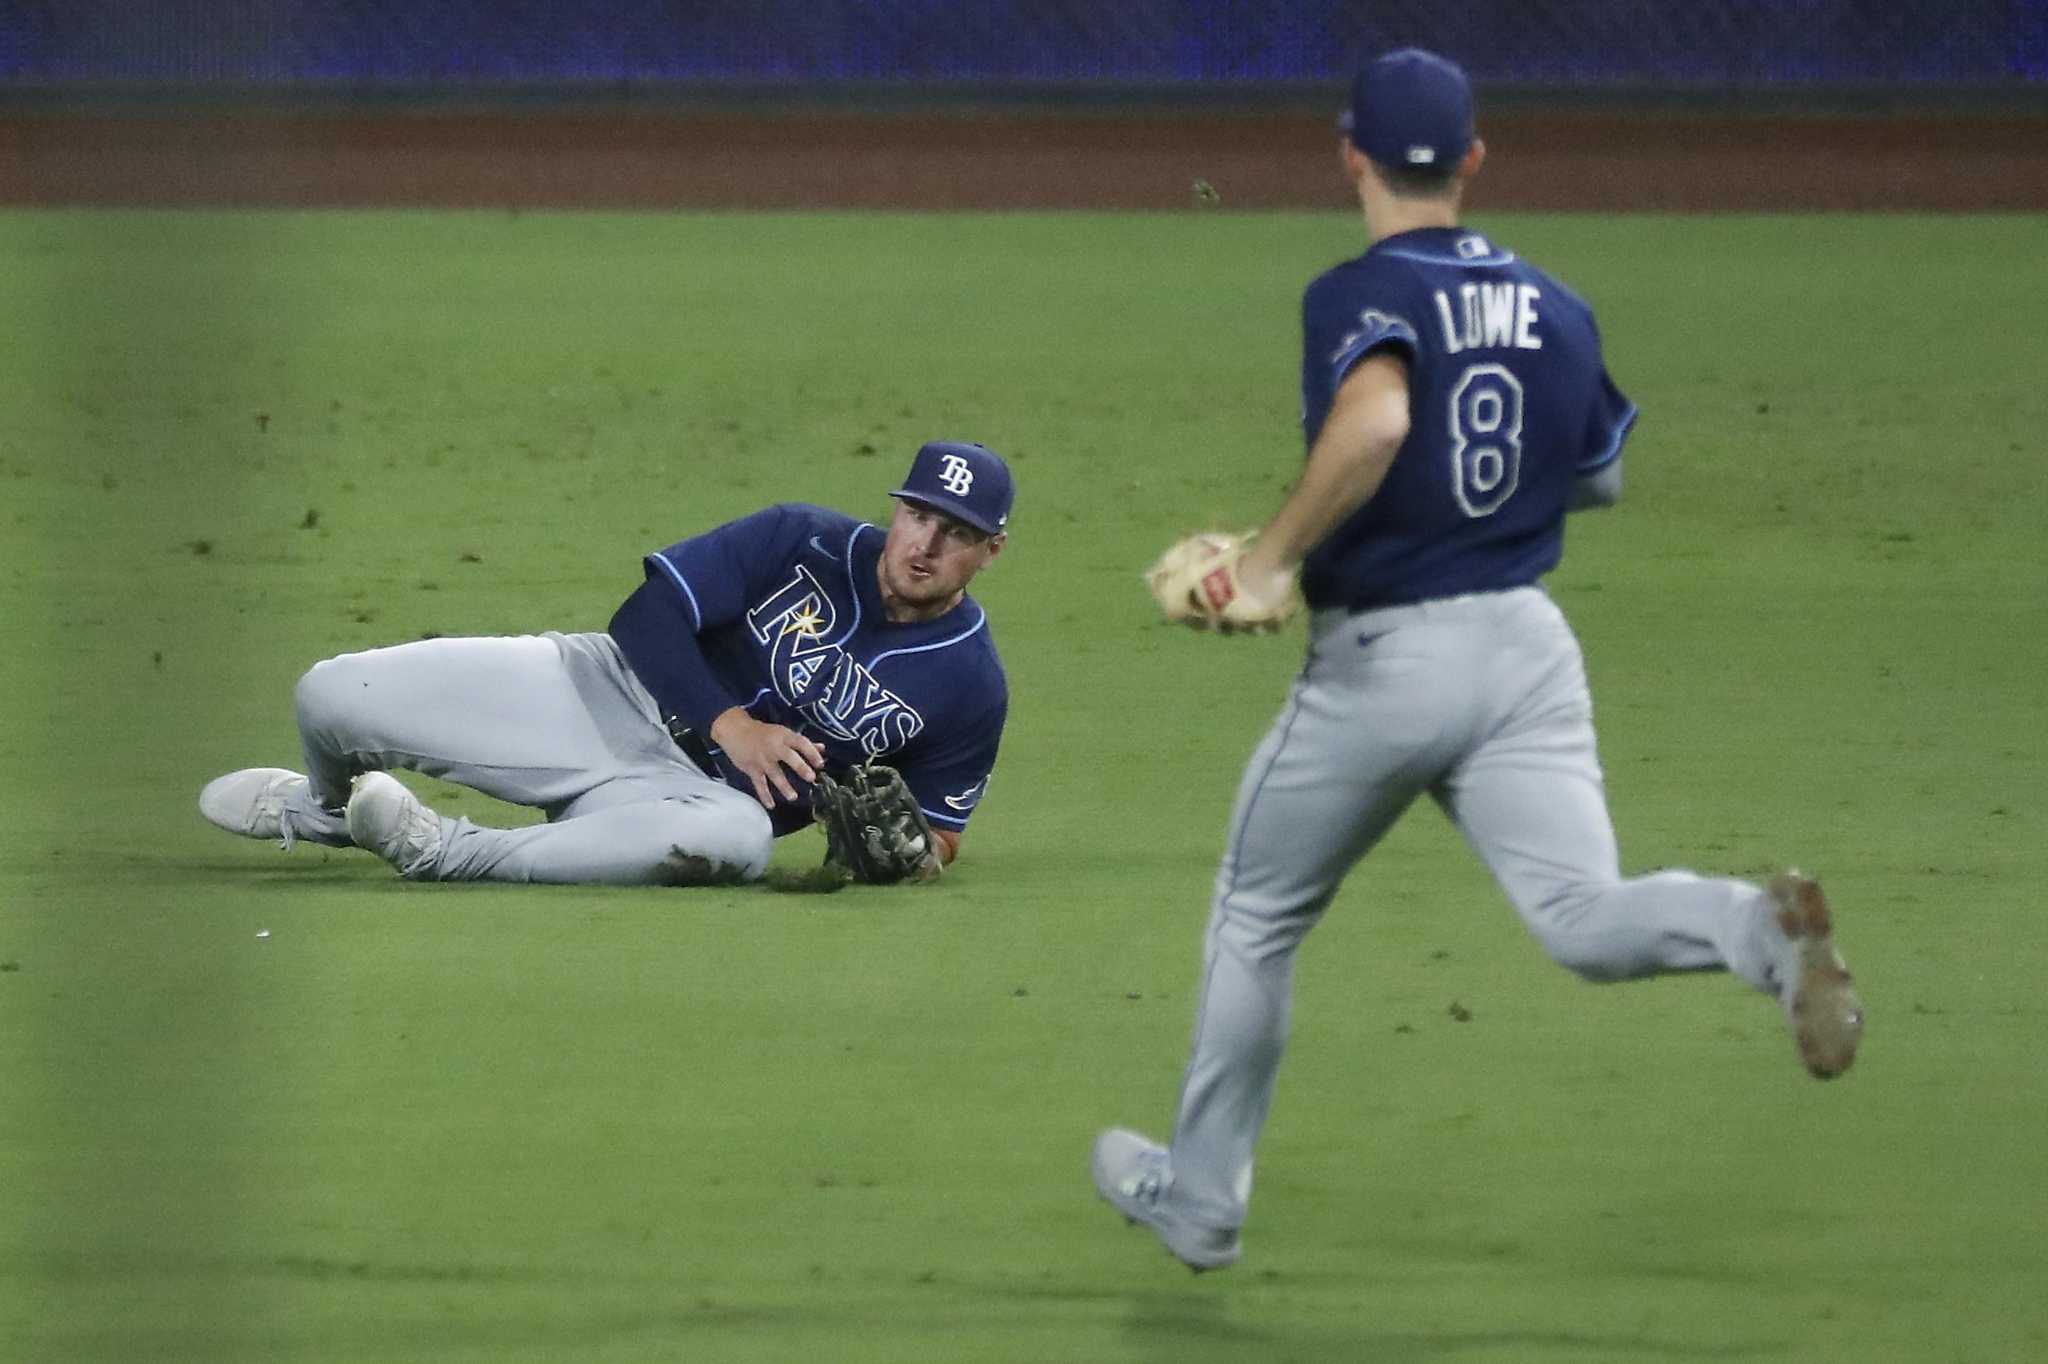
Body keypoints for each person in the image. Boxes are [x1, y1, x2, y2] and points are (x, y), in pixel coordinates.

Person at [1089, 49, 1862, 1273]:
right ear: (1471, 161)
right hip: (1525, 650)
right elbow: (1595, 471)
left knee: (1254, 916)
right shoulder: (1557, 302)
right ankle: (1756, 932)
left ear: (1349, 154)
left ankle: (1200, 1198)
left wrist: (1271, 556)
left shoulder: (1355, 289)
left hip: (1389, 659)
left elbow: (1382, 416)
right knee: (1579, 914)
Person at [197, 440, 1013, 886]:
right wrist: (734, 726)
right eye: (918, 515)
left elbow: (940, 832)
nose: (926, 544)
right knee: (330, 695)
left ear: (991, 551)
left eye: (957, 532)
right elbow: (645, 615)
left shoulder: (970, 682)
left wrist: (906, 859)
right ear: (897, 508)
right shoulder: (801, 536)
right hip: (599, 693)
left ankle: (445, 850)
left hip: (689, 800)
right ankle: (326, 811)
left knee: (738, 844)